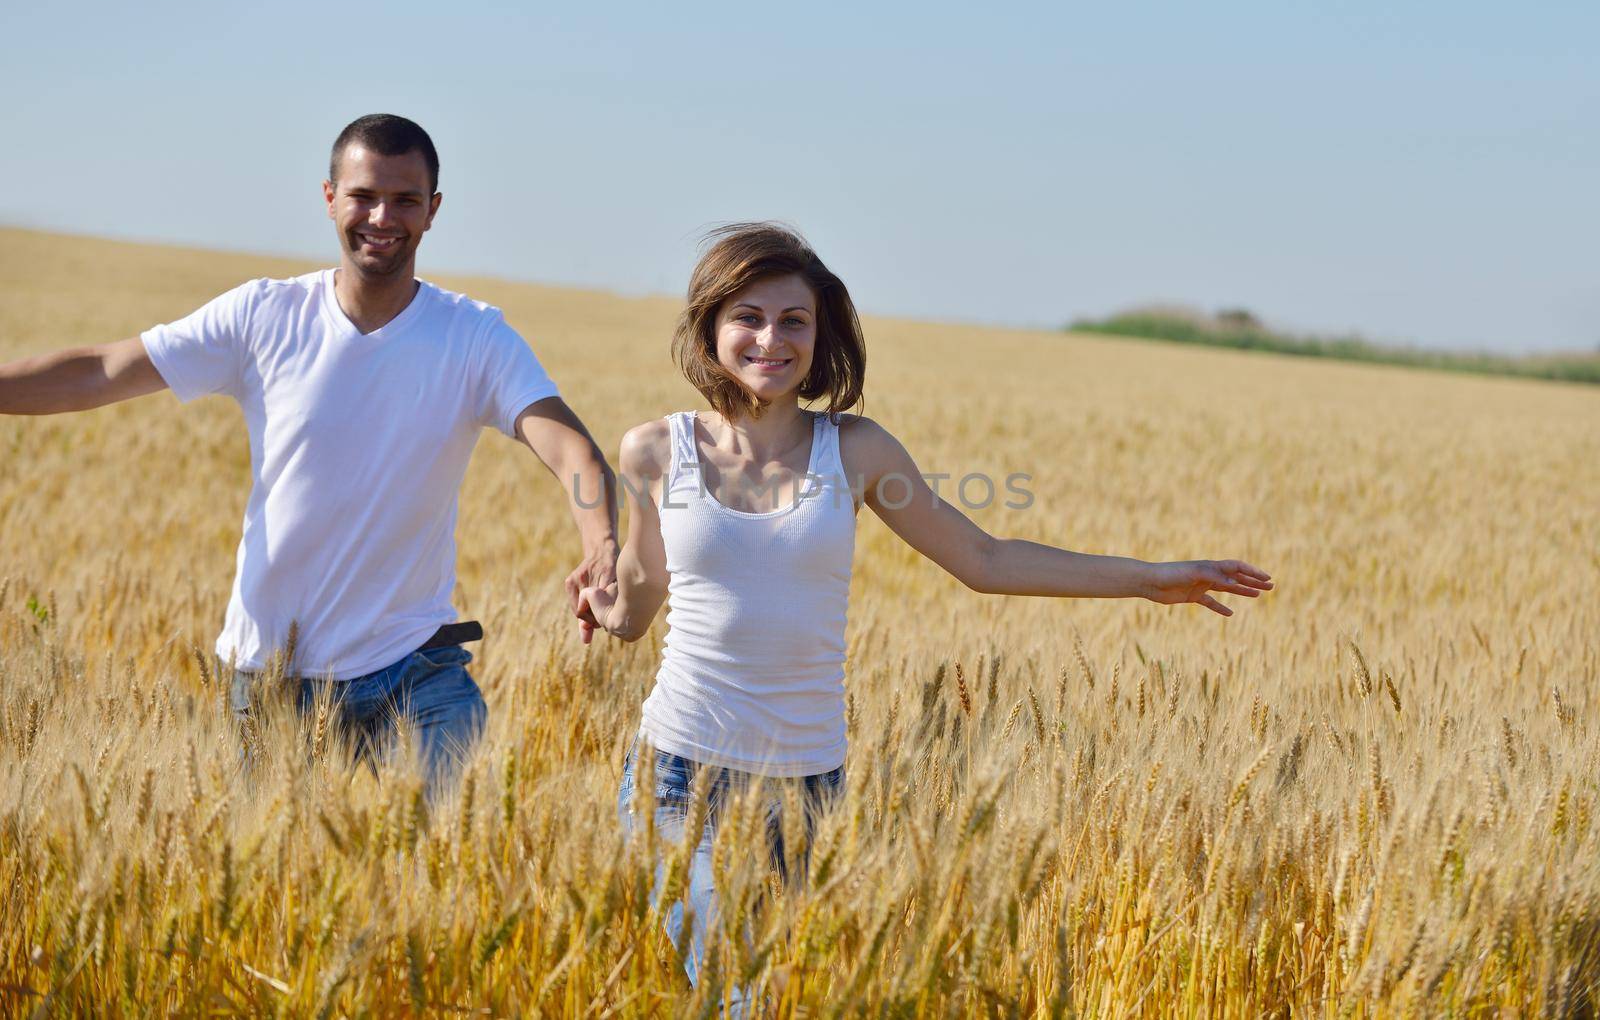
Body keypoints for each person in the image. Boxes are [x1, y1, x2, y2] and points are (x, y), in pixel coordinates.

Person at [576, 222, 1273, 1002]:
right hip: (680, 772)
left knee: (777, 994)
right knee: (746, 992)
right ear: (710, 326)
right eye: (748, 316)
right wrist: (607, 604)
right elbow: (639, 601)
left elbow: (983, 559)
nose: (771, 338)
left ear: (821, 334)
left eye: (794, 320)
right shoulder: (654, 451)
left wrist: (1149, 579)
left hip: (808, 787)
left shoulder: (857, 451)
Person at [0, 114, 619, 796]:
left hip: (412, 670)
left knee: (429, 874)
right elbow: (103, 370)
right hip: (271, 682)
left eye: (406, 200)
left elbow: (570, 448)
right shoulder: (264, 316)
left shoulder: (473, 336)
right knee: (282, 894)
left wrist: (603, 543)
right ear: (329, 197)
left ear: (433, 211)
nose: (383, 216)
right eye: (364, 196)